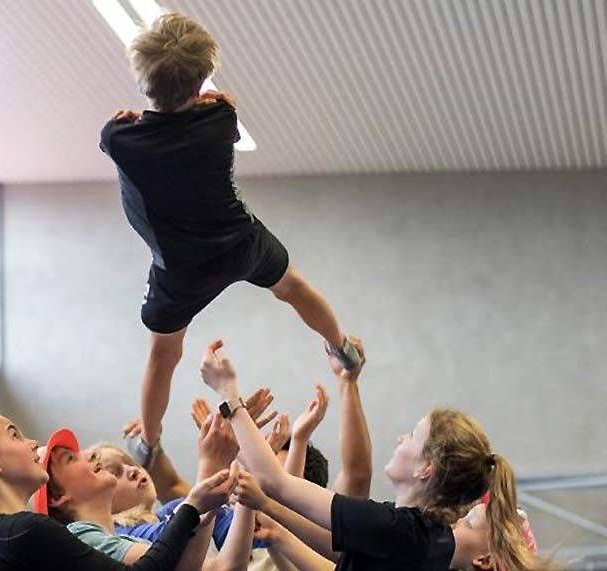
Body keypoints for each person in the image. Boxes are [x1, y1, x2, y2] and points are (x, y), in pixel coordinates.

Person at [100, 11, 360, 466]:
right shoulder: (220, 117)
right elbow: (222, 101)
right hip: (240, 242)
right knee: (293, 287)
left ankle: (148, 442)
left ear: (143, 80)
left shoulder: (120, 137)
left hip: (179, 268)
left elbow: (119, 133)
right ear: (201, 80)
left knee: (163, 355)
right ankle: (343, 347)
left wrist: (135, 118)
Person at [200, 340, 556, 571]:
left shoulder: (405, 531)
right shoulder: (426, 537)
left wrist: (228, 393)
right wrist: (272, 511)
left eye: (414, 436)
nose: (401, 438)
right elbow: (346, 551)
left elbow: (275, 480)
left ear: (426, 469)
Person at [0, 409, 236, 571]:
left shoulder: (2, 537)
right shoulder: (18, 532)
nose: (32, 442)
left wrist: (199, 507)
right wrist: (191, 506)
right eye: (15, 435)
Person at [35, 415, 254, 570]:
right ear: (57, 497)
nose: (90, 456)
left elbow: (225, 567)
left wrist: (247, 481)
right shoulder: (79, 536)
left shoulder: (123, 539)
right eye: (71, 458)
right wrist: (210, 465)